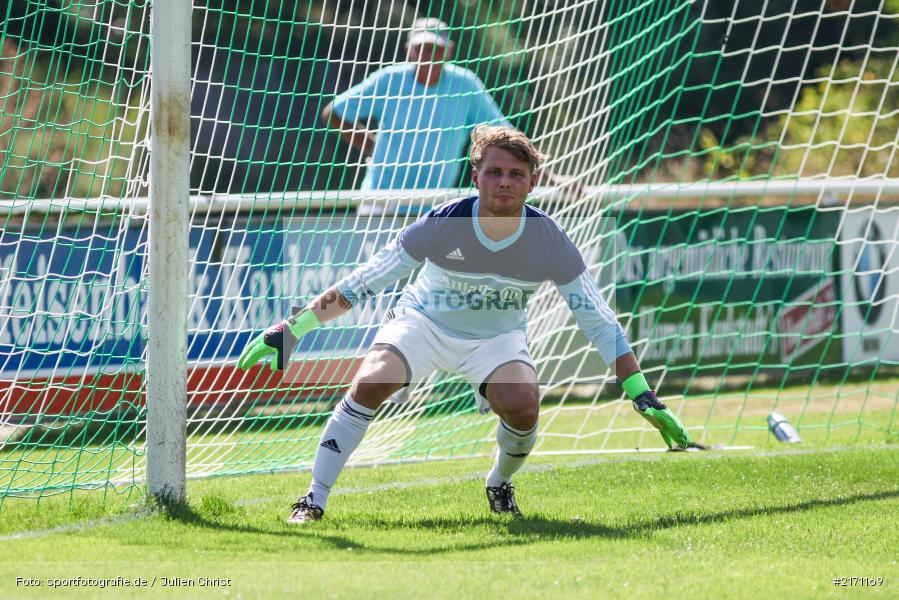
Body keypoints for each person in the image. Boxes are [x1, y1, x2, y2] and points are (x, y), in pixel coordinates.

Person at [238, 125, 693, 523]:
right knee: (372, 382)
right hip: (423, 323)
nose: (504, 182)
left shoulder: (549, 239)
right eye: (494, 172)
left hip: (497, 339)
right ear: (476, 177)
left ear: (532, 183)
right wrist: (292, 329)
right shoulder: (443, 223)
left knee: (522, 406)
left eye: (516, 174)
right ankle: (313, 500)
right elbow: (366, 282)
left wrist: (641, 392)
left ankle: (499, 484)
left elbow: (596, 317)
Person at [321, 18, 578, 213]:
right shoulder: (389, 79)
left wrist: (552, 178)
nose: (428, 56)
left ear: (449, 50)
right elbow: (333, 112)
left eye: (435, 48)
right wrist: (372, 146)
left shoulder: (465, 84)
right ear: (409, 49)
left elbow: (506, 138)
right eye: (421, 48)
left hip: (436, 209)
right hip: (381, 204)